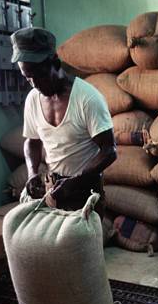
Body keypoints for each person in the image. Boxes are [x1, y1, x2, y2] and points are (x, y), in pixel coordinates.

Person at [10, 27, 116, 217]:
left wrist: (76, 181)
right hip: (53, 188)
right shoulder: (33, 99)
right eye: (28, 78)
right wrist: (32, 173)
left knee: (83, 246)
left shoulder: (87, 98)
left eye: (40, 76)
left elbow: (109, 151)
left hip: (85, 191)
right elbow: (32, 142)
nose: (35, 84)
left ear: (55, 63)